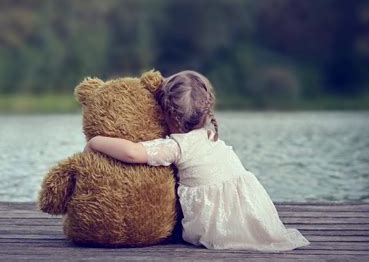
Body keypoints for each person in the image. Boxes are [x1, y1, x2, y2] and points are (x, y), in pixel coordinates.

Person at [84, 70, 310, 251]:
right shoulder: (210, 135)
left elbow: (133, 153)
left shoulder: (177, 146)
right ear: (205, 112)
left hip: (215, 224)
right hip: (250, 210)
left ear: (167, 115)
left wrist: (96, 141)